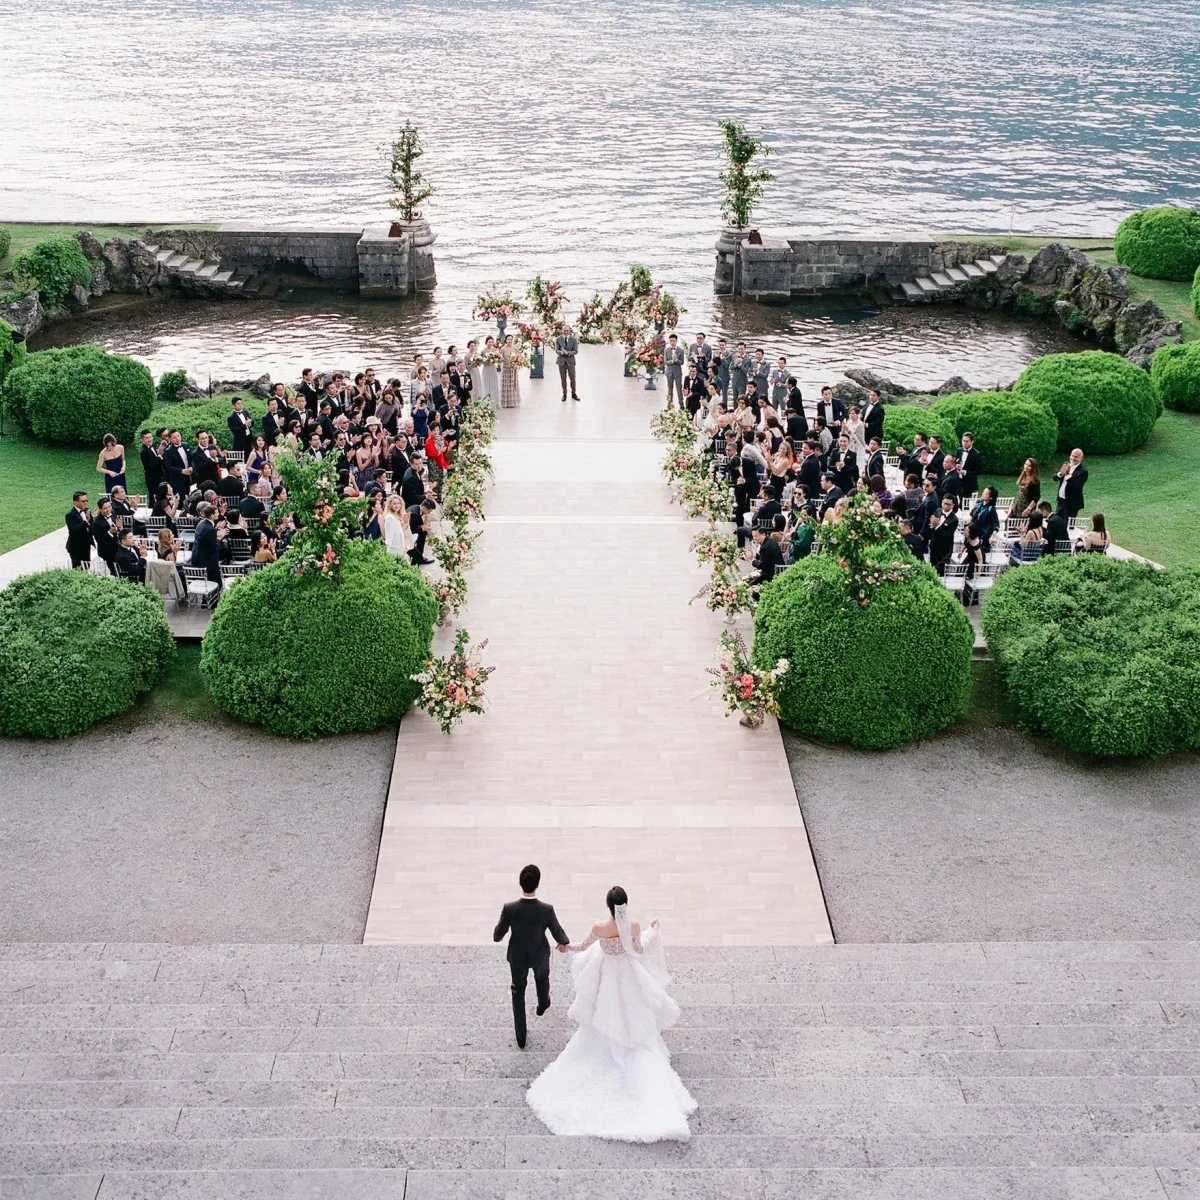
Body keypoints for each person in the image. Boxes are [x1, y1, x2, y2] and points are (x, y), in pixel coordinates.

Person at [525, 884, 695, 1142]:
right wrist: (654, 931)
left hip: (605, 975)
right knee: (633, 1011)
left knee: (602, 1012)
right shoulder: (634, 926)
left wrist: (564, 947)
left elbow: (582, 946)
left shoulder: (599, 928)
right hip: (628, 973)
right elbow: (637, 950)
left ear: (608, 905)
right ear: (625, 905)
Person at [492, 864, 570, 1051]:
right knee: (542, 980)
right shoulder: (546, 909)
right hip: (539, 954)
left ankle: (521, 1035)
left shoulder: (509, 908)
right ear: (538, 884)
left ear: (520, 883)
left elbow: (497, 936)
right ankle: (543, 1003)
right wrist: (564, 942)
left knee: (517, 990)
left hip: (517, 956)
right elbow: (557, 932)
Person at [1055, 448, 1088, 518]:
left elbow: (1076, 486)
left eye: (1076, 457)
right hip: (1061, 501)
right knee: (1057, 522)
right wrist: (1060, 474)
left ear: (1081, 458)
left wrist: (1068, 474)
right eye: (1072, 456)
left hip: (1072, 504)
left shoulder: (1083, 471)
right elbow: (1055, 478)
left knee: (1068, 525)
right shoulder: (1066, 464)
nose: (1073, 458)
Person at [90, 498, 120, 574]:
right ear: (100, 509)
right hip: (106, 550)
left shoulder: (113, 513)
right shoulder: (96, 523)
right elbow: (99, 540)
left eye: (109, 506)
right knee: (114, 571)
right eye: (105, 508)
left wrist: (119, 527)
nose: (108, 509)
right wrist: (109, 532)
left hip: (116, 546)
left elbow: (117, 528)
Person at [65, 491, 93, 568]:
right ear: (75, 502)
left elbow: (91, 525)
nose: (85, 503)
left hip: (86, 545)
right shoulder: (70, 515)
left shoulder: (87, 511)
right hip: (76, 546)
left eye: (86, 501)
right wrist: (86, 521)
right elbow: (73, 530)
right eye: (83, 501)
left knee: (87, 566)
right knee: (78, 567)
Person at [554, 324, 580, 402]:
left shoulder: (574, 340)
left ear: (569, 331)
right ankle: (564, 394)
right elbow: (556, 350)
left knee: (572, 378)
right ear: (562, 331)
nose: (566, 332)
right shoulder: (558, 339)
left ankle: (573, 393)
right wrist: (561, 352)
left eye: (567, 330)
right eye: (564, 330)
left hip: (570, 362)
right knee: (563, 379)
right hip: (561, 361)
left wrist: (568, 353)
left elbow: (575, 351)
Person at [407, 497, 436, 566]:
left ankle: (419, 556)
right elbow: (411, 529)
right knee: (422, 532)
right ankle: (419, 557)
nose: (429, 513)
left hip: (411, 528)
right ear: (424, 508)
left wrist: (424, 526)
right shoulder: (415, 513)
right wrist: (422, 528)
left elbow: (418, 523)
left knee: (423, 532)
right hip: (406, 533)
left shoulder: (416, 507)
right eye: (429, 511)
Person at [139, 429, 165, 497]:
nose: (150, 439)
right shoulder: (144, 452)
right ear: (142, 440)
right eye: (147, 438)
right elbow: (152, 466)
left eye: (150, 437)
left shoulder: (153, 446)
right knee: (154, 497)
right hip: (152, 479)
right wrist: (159, 455)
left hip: (160, 476)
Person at [663, 334, 685, 410]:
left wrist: (676, 360)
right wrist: (672, 361)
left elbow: (682, 362)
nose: (672, 342)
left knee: (679, 389)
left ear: (676, 341)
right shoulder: (666, 350)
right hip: (669, 372)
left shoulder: (681, 350)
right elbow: (665, 362)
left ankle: (681, 405)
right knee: (670, 389)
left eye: (673, 341)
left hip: (678, 372)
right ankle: (669, 404)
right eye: (671, 341)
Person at [383, 493, 409, 558]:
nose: (397, 506)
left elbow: (399, 532)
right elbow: (389, 536)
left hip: (400, 548)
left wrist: (405, 522)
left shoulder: (396, 516)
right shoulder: (390, 517)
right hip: (393, 550)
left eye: (398, 503)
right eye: (394, 504)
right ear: (390, 505)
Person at [956, 432, 982, 497]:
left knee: (966, 504)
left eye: (967, 441)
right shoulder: (959, 450)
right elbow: (956, 462)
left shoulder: (976, 454)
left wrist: (965, 472)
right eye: (963, 440)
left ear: (972, 442)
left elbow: (978, 471)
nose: (964, 443)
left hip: (969, 485)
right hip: (958, 482)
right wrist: (956, 465)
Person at [500, 335, 522, 409]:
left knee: (512, 384)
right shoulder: (503, 349)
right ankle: (506, 402)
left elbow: (519, 357)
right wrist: (506, 361)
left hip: (513, 369)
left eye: (511, 339)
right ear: (506, 340)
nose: (509, 341)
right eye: (508, 339)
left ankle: (513, 401)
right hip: (506, 368)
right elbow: (500, 358)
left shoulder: (515, 348)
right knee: (506, 384)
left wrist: (516, 362)